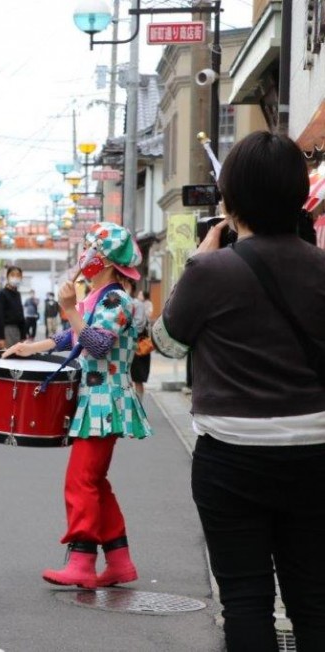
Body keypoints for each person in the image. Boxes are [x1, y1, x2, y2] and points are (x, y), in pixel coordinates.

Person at [152, 131, 325, 651]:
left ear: (231, 201)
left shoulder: (211, 270)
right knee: (314, 597)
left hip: (231, 455)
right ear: (300, 195)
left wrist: (197, 261)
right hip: (316, 450)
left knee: (246, 598)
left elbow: (168, 343)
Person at [3, 222, 151, 590]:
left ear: (102, 259)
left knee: (81, 480)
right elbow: (73, 336)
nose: (83, 255)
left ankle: (83, 561)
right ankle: (119, 560)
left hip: (106, 401)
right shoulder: (103, 297)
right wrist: (32, 348)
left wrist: (68, 307)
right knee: (95, 482)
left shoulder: (116, 299)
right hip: (98, 401)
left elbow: (97, 344)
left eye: (88, 248)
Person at [125, 280, 151, 399]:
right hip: (125, 346)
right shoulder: (119, 302)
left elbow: (139, 326)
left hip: (137, 346)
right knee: (125, 378)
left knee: (137, 378)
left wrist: (123, 326)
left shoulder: (137, 304)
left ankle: (139, 408)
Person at [0, 265, 26, 349]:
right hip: (5, 331)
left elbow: (20, 316)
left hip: (16, 332)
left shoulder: (17, 294)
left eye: (18, 275)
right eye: (12, 275)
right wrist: (0, 337)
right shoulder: (1, 295)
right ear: (7, 277)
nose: (15, 277)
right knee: (4, 358)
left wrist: (23, 336)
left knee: (15, 359)